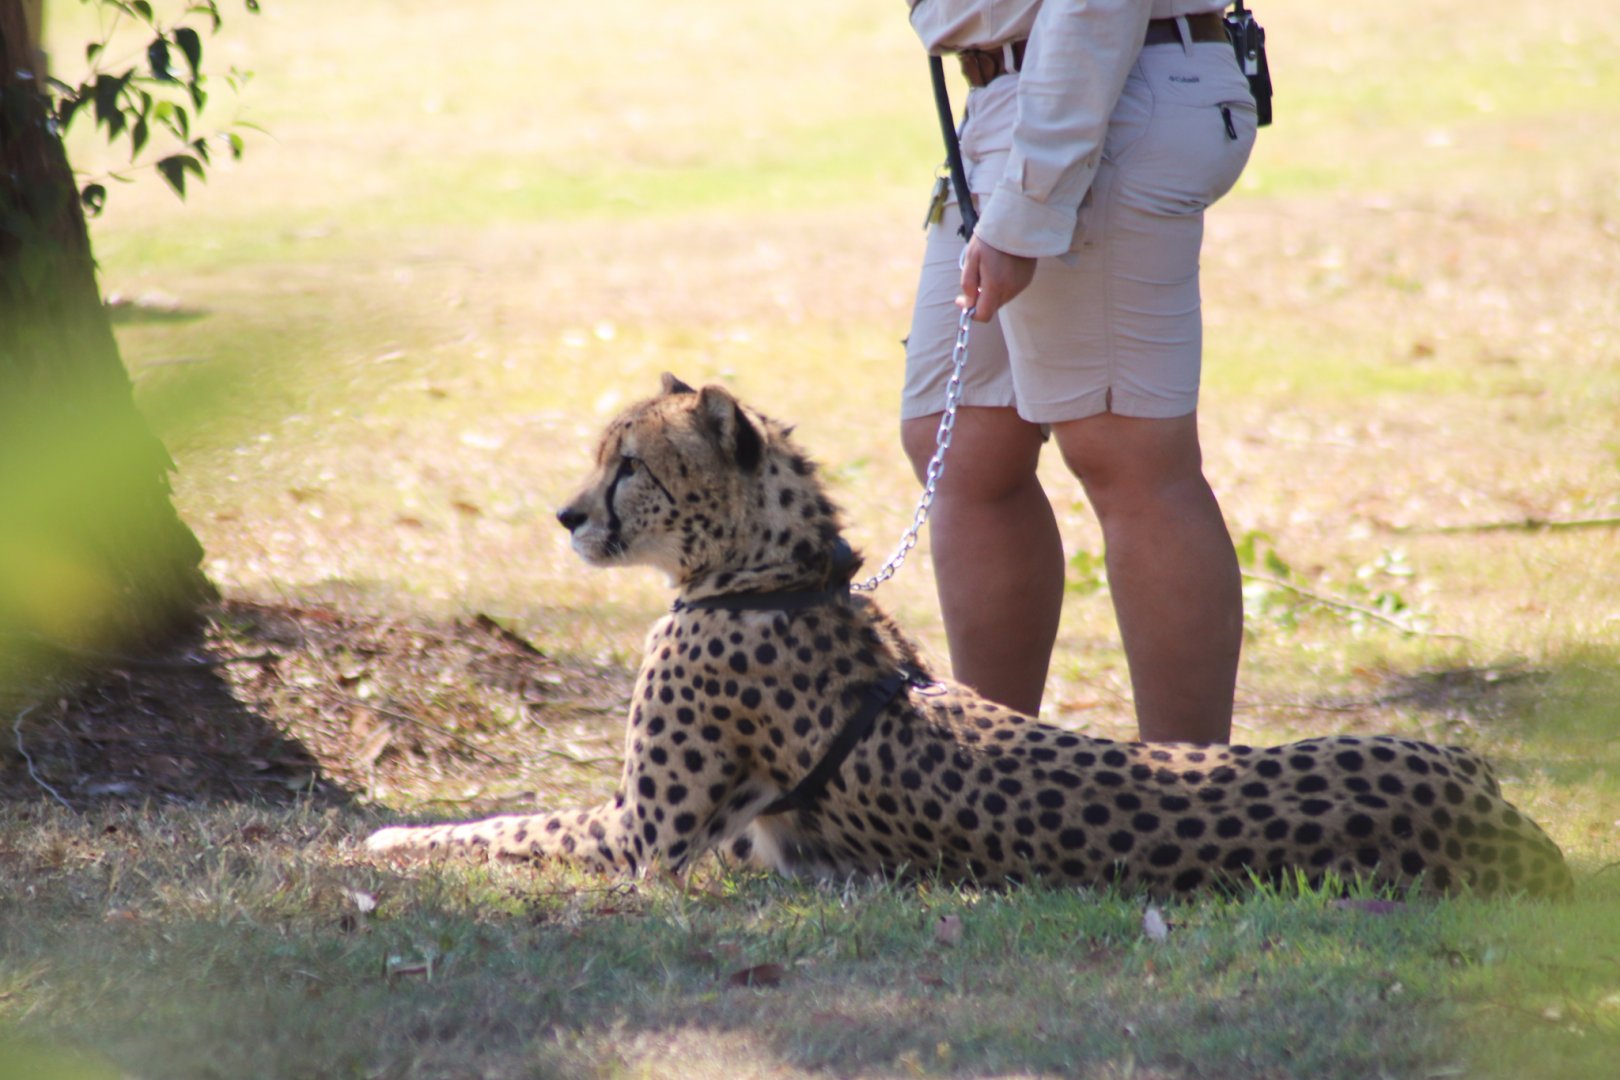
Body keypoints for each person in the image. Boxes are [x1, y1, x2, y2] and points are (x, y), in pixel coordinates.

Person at [901, 1, 1258, 743]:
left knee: (1128, 457)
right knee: (960, 441)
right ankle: (996, 779)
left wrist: (1027, 208)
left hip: (1096, 86)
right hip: (1009, 96)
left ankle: (1188, 795)